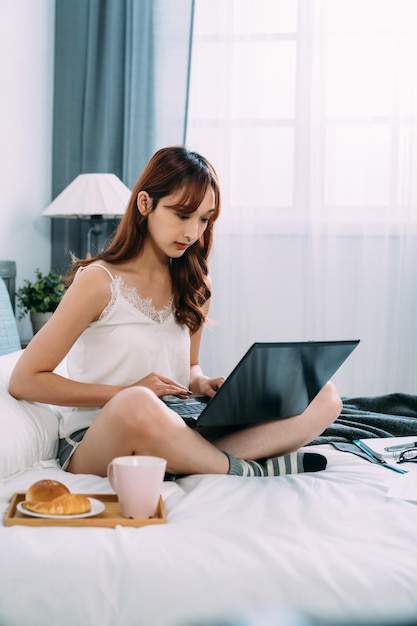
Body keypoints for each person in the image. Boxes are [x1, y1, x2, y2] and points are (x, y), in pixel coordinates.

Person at [9, 146, 342, 478]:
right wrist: (124, 392)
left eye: (203, 219)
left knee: (324, 395)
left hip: (179, 425)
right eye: (182, 215)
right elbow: (26, 380)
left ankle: (202, 461)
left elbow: (190, 367)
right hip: (101, 437)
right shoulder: (98, 281)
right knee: (137, 403)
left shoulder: (196, 284)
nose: (192, 233)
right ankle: (245, 469)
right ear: (145, 205)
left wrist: (204, 384)